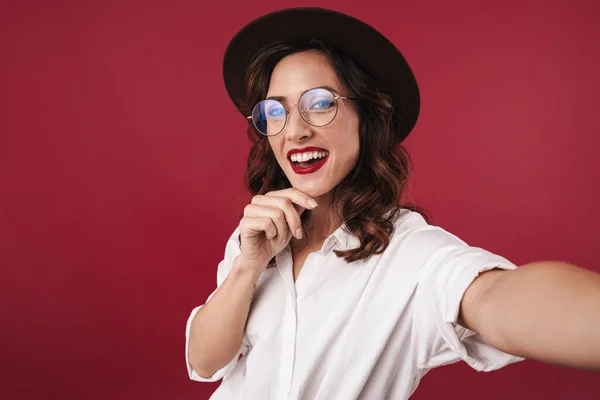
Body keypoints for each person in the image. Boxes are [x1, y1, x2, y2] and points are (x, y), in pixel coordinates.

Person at [185, 7, 600, 399]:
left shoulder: (407, 251)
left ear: (366, 118)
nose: (294, 131)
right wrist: (246, 268)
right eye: (276, 111)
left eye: (321, 104)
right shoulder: (258, 235)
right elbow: (205, 363)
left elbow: (495, 297)